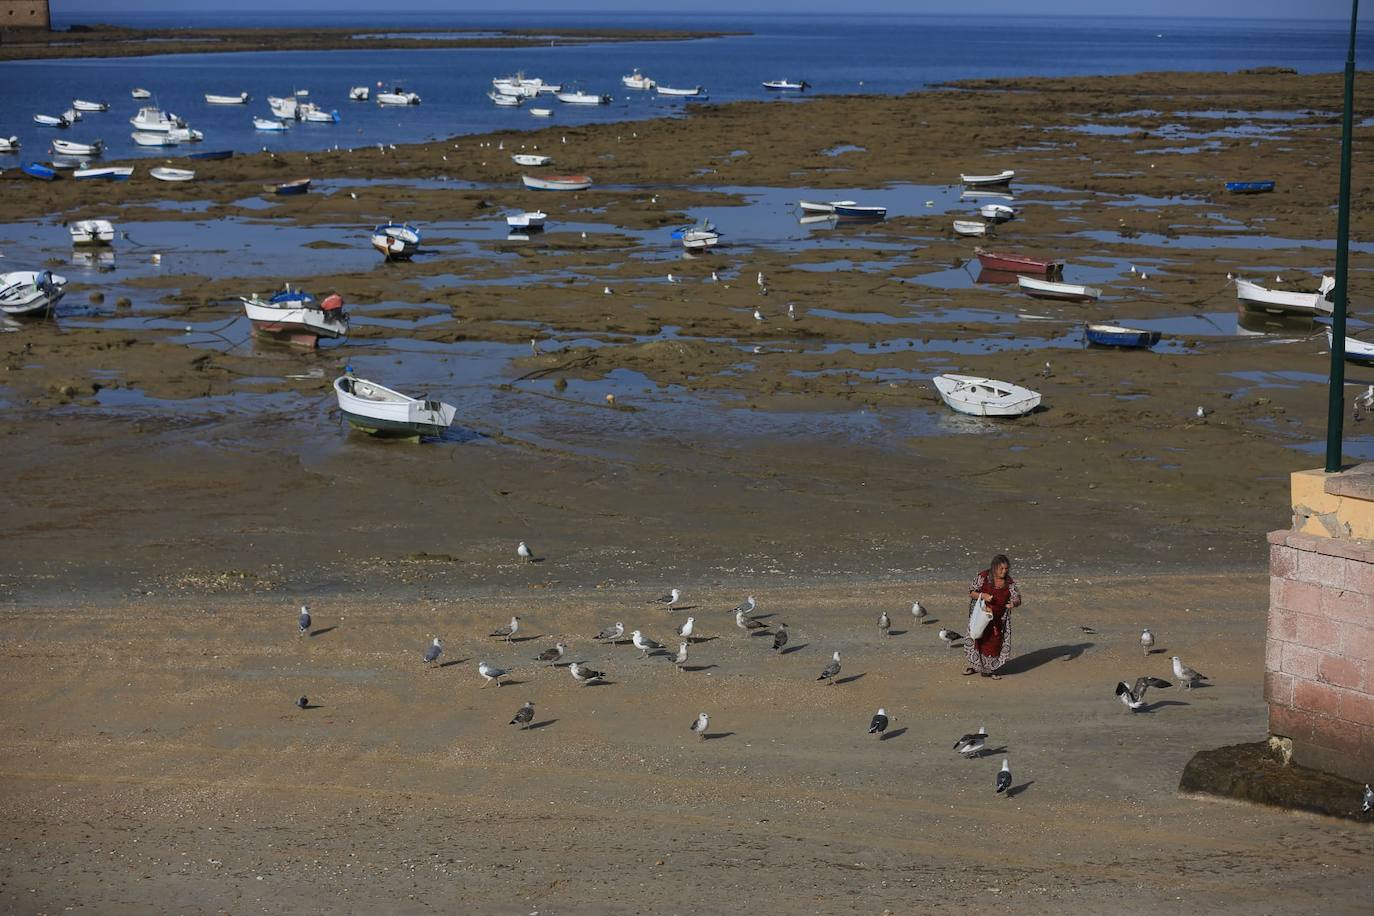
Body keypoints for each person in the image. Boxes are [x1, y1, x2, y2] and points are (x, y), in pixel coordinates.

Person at [964, 554, 1021, 679]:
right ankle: (975, 666)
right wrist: (983, 595)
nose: (1004, 571)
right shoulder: (983, 577)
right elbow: (971, 591)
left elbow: (1017, 598)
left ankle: (992, 669)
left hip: (999, 619)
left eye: (1006, 569)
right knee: (978, 639)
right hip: (981, 616)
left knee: (994, 644)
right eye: (1002, 569)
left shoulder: (1009, 582)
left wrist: (1013, 603)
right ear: (995, 567)